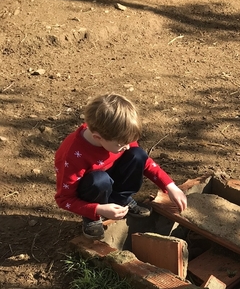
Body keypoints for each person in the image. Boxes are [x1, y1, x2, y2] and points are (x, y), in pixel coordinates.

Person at [55, 93, 187, 239]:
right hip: (92, 188)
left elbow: (145, 163)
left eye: (128, 142)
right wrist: (98, 208)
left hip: (111, 177)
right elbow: (64, 200)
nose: (127, 147)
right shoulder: (72, 156)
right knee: (99, 180)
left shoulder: (118, 138)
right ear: (98, 138)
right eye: (122, 145)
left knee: (138, 155)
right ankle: (92, 219)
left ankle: (120, 199)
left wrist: (170, 186)